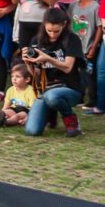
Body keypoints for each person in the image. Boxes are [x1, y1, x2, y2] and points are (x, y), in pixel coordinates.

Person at [23, 8, 85, 138]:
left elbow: (67, 67)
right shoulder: (36, 41)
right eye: (49, 30)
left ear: (64, 24)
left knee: (52, 97)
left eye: (56, 31)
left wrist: (48, 58)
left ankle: (71, 119)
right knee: (31, 131)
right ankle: (51, 115)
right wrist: (28, 63)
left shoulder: (72, 39)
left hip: (70, 88)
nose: (52, 34)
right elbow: (36, 76)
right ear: (44, 25)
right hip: (46, 88)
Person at [69, 0, 102, 107]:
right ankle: (79, 97)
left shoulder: (95, 7)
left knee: (89, 74)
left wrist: (93, 47)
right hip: (75, 47)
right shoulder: (72, 6)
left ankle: (93, 99)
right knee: (75, 74)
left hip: (88, 47)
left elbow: (99, 27)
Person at [0, 63, 36, 128]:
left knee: (17, 116)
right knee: (6, 112)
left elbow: (33, 109)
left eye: (17, 76)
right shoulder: (10, 90)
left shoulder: (31, 91)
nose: (14, 79)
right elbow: (5, 107)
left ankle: (5, 122)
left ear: (27, 79)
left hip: (26, 111)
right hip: (14, 109)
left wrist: (27, 118)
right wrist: (3, 112)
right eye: (12, 76)